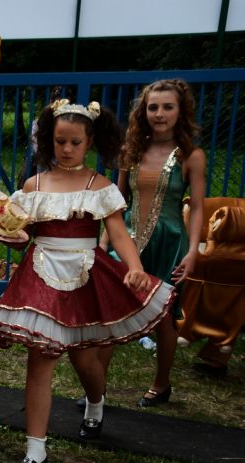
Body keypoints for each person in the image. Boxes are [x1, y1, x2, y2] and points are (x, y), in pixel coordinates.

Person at [0, 100, 176, 463]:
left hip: (85, 275)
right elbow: (21, 237)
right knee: (40, 360)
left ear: (90, 142)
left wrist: (134, 267)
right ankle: (35, 449)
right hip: (41, 275)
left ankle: (96, 402)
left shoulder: (99, 187)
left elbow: (118, 232)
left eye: (75, 142)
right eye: (60, 141)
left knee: (85, 360)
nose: (67, 149)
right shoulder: (33, 186)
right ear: (48, 141)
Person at [96, 80, 206, 407]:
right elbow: (116, 201)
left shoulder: (191, 156)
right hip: (128, 242)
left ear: (180, 111)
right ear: (143, 112)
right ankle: (96, 387)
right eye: (152, 107)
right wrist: (103, 242)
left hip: (170, 244)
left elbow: (197, 207)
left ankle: (161, 384)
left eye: (167, 107)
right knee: (110, 315)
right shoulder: (130, 151)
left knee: (164, 318)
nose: (159, 114)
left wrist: (193, 251)